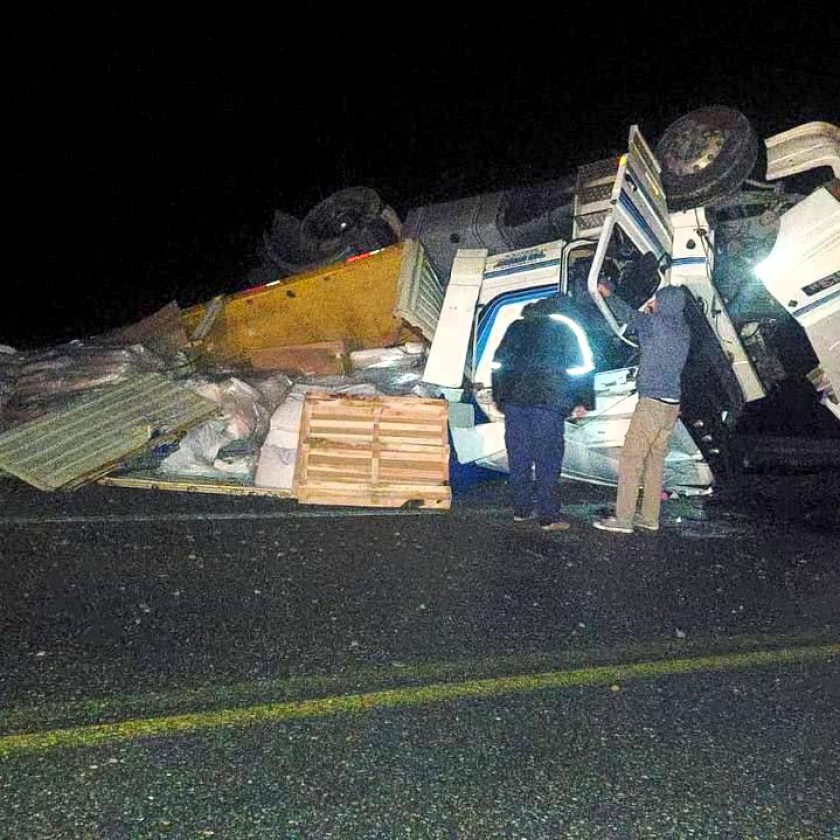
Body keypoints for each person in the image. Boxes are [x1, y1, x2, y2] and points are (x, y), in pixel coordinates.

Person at [593, 281, 692, 534]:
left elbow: (627, 316)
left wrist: (609, 294)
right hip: (671, 404)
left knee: (631, 459)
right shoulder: (683, 330)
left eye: (657, 299)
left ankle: (623, 519)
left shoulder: (654, 323)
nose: (654, 302)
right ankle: (649, 518)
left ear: (664, 303)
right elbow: (651, 338)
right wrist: (652, 312)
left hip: (651, 405)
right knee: (655, 463)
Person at [492, 295, 593, 532]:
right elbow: (582, 368)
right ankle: (548, 516)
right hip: (549, 401)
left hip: (516, 402)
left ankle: (521, 509)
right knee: (547, 459)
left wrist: (500, 398)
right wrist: (583, 401)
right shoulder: (566, 328)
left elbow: (498, 365)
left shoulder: (516, 327)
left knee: (519, 456)